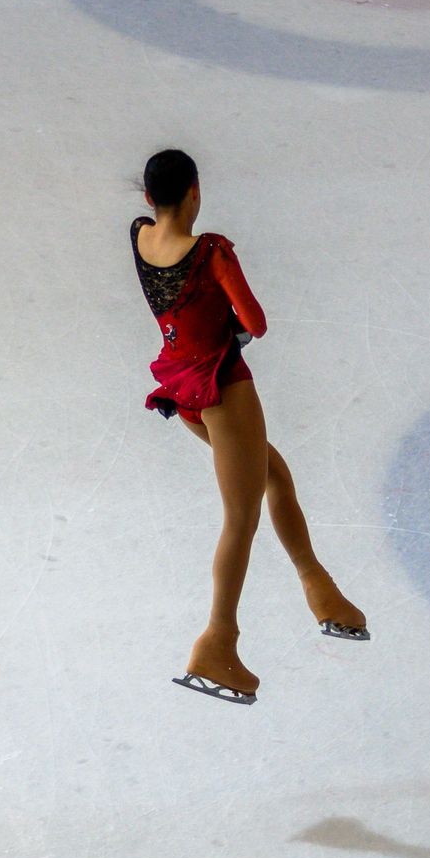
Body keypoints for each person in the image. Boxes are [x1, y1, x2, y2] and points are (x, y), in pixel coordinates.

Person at [131, 149, 369, 705]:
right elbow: (255, 322)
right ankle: (218, 642)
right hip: (222, 388)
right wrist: (228, 323)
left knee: (275, 478)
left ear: (148, 198)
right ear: (194, 192)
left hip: (181, 387)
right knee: (241, 516)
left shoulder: (140, 235)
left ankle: (322, 592)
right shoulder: (210, 250)